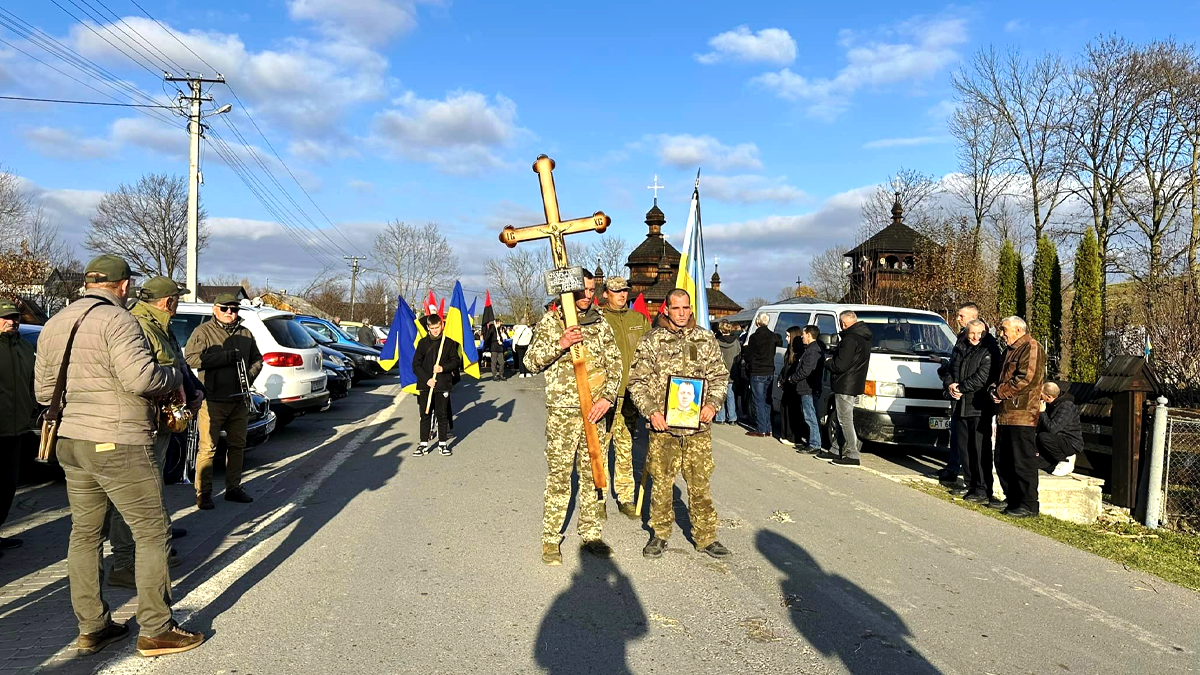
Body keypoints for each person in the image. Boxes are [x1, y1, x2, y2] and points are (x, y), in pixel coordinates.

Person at [34, 255, 203, 657]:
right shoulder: (119, 320)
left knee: (85, 534)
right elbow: (142, 378)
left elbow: (43, 394)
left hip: (70, 440)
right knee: (151, 532)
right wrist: (176, 376)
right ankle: (157, 629)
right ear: (123, 286)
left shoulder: (55, 322)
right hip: (119, 441)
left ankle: (93, 628)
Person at [523, 270, 622, 566]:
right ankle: (551, 539)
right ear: (567, 293)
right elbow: (530, 361)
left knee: (593, 473)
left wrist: (607, 397)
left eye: (591, 290)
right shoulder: (552, 322)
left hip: (594, 410)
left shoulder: (600, 323)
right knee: (559, 477)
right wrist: (560, 343)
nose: (587, 296)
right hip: (563, 413)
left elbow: (615, 363)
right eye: (581, 291)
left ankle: (591, 533)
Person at [107, 277, 198, 587]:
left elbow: (177, 364)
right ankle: (124, 563)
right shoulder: (140, 326)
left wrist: (191, 389)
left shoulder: (159, 325)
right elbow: (143, 375)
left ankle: (156, 549)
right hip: (140, 422)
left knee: (152, 488)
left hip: (158, 421)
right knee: (134, 494)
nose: (177, 304)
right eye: (176, 299)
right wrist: (174, 385)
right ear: (166, 301)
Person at [629, 288, 731, 560]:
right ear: (666, 309)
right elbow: (636, 382)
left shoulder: (705, 339)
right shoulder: (652, 341)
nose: (682, 313)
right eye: (676, 308)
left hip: (698, 428)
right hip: (664, 429)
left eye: (686, 308)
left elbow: (720, 377)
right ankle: (660, 534)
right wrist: (651, 412)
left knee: (700, 483)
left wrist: (712, 405)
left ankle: (706, 537)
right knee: (662, 483)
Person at [184, 293, 263, 510]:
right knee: (208, 448)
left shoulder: (245, 332)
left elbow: (258, 359)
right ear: (215, 309)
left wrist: (249, 374)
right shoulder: (203, 331)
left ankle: (233, 488)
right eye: (225, 308)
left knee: (238, 445)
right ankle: (204, 492)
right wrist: (224, 358)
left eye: (234, 309)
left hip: (239, 399)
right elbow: (191, 358)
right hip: (213, 400)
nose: (230, 312)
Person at [599, 275, 651, 518]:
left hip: (630, 396)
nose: (622, 295)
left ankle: (625, 496)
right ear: (606, 293)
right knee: (598, 449)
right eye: (616, 291)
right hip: (604, 397)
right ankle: (597, 498)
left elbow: (651, 352)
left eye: (624, 291)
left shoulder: (638, 319)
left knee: (625, 448)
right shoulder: (598, 321)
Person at [989, 316, 1047, 518]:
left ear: (1018, 330)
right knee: (1003, 459)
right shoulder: (1009, 350)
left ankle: (1029, 504)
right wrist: (994, 390)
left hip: (1022, 414)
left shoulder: (1032, 347)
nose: (1002, 334)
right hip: (1005, 413)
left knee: (1022, 460)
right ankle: (1013, 499)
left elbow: (1028, 379)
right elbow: (1001, 377)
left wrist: (1000, 392)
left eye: (1005, 330)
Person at [945, 319, 1000, 503]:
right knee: (965, 448)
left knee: (979, 450)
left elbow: (983, 377)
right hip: (960, 405)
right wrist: (950, 385)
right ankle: (970, 485)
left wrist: (960, 387)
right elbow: (950, 369)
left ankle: (983, 489)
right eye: (972, 333)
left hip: (979, 406)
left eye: (979, 333)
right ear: (967, 333)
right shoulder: (960, 347)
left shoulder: (989, 349)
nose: (976, 337)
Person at [0, 300, 35, 556]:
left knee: (7, 486)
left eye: (15, 317)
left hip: (16, 428)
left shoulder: (24, 346)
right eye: (6, 317)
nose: (12, 321)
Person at [937, 302, 981, 484]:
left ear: (973, 317)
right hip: (956, 392)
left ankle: (967, 475)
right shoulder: (961, 337)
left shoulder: (980, 341)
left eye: (961, 316)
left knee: (967, 438)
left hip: (970, 397)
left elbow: (978, 371)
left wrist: (961, 387)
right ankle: (952, 467)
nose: (958, 319)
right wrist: (949, 384)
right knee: (955, 432)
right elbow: (955, 365)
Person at [820, 310, 871, 466]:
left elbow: (841, 364)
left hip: (845, 383)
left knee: (844, 419)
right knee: (843, 417)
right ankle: (836, 448)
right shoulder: (864, 338)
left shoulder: (850, 340)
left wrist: (827, 362)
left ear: (844, 324)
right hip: (854, 382)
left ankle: (852, 454)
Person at [412, 312, 462, 456]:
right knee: (425, 414)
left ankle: (442, 443)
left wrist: (442, 368)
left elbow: (456, 362)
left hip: (442, 384)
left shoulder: (449, 342)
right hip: (426, 384)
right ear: (428, 328)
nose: (435, 330)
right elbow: (416, 365)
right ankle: (423, 444)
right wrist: (427, 379)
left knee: (442, 414)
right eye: (432, 328)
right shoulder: (422, 343)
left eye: (437, 327)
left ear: (442, 325)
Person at [789, 325, 825, 454]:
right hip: (808, 387)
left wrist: (792, 378)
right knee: (811, 415)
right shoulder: (809, 349)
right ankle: (813, 441)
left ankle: (815, 444)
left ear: (809, 335)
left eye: (803, 334)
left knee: (810, 416)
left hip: (809, 388)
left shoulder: (813, 351)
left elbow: (806, 370)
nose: (802, 337)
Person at [1037, 382, 1083, 476]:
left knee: (1043, 437)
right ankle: (1054, 464)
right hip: (1056, 442)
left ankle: (1065, 460)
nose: (1039, 398)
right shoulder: (1051, 405)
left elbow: (1052, 429)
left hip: (1070, 443)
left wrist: (1042, 413)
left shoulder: (1066, 406)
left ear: (1048, 397)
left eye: (1041, 395)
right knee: (1033, 462)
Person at [744, 313, 778, 437]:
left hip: (757, 371)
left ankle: (761, 428)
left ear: (758, 322)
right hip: (769, 371)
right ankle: (768, 428)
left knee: (758, 400)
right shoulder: (773, 337)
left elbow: (749, 356)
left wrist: (746, 349)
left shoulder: (754, 337)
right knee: (767, 400)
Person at [777, 326, 806, 447]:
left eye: (788, 336)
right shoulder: (790, 352)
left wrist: (784, 381)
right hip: (787, 384)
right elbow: (785, 369)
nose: (786, 339)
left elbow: (791, 370)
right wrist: (781, 379)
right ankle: (786, 435)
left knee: (792, 411)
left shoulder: (798, 354)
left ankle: (792, 436)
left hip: (793, 385)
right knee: (785, 408)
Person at [714, 321, 741, 425]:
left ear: (720, 330)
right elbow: (739, 354)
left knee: (720, 395)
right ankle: (732, 417)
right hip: (732, 372)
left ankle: (720, 418)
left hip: (720, 372)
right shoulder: (736, 342)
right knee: (730, 394)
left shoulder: (716, 342)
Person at [483, 317, 506, 381]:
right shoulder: (492, 328)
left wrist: (501, 341)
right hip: (494, 347)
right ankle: (494, 375)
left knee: (502, 362)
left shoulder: (499, 329)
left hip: (500, 347)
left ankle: (501, 374)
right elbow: (488, 336)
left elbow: (501, 337)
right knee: (494, 362)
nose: (501, 324)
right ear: (497, 322)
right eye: (500, 323)